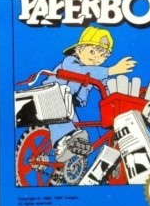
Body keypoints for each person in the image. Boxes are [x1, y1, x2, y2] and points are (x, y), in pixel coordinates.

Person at [44, 26, 136, 161]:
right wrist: (111, 70)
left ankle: (69, 148)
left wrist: (126, 95)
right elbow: (78, 71)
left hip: (69, 100)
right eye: (92, 52)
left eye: (103, 56)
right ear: (78, 49)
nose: (97, 58)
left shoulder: (94, 71)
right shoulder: (70, 61)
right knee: (62, 116)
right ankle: (62, 142)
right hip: (51, 95)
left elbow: (107, 85)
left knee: (75, 129)